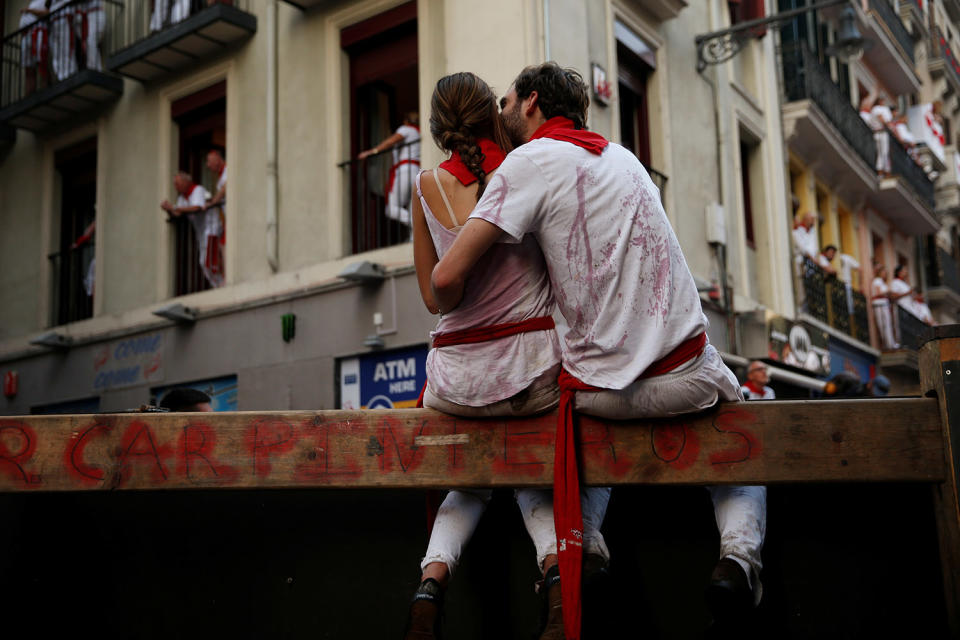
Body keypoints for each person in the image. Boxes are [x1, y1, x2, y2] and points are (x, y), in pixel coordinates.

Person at [431, 63, 764, 638]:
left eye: (507, 101)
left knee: (575, 453)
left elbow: (448, 277)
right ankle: (738, 560)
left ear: (532, 102)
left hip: (599, 395)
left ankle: (584, 552)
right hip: (687, 372)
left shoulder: (525, 164)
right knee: (746, 435)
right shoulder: (627, 159)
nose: (500, 113)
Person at [403, 72, 605, 640]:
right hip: (526, 373)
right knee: (529, 473)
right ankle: (555, 576)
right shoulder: (524, 169)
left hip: (455, 383)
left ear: (440, 126)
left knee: (467, 483)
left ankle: (430, 584)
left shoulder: (426, 187)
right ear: (494, 114)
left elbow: (433, 296)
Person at [160, 171, 224, 288]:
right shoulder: (182, 198)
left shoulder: (197, 190)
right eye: (175, 184)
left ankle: (222, 283)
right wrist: (168, 209)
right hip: (201, 232)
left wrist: (174, 207)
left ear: (186, 182)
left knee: (209, 260)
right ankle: (218, 285)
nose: (176, 187)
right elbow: (177, 214)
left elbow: (196, 207)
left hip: (211, 228)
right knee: (203, 262)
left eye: (178, 184)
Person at [358, 112, 421, 229]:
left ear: (406, 121)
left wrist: (371, 152)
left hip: (404, 170)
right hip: (417, 171)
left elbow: (390, 142)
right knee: (411, 208)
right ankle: (414, 237)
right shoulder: (419, 133)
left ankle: (420, 228)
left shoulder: (406, 129)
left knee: (391, 209)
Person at [19, 0, 50, 97]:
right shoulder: (33, 2)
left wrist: (29, 11)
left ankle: (45, 91)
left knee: (41, 64)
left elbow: (47, 13)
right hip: (27, 35)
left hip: (38, 32)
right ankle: (29, 95)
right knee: (29, 69)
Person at [48, 0, 76, 82]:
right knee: (56, 53)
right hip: (54, 23)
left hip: (65, 20)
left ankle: (70, 75)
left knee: (67, 50)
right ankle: (61, 77)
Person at [872, 264, 897, 350]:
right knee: (883, 325)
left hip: (884, 304)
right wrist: (888, 291)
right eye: (883, 272)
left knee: (887, 324)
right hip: (880, 304)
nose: (885, 274)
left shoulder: (882, 282)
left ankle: (890, 343)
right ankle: (888, 344)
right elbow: (878, 293)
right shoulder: (877, 281)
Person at [77, 0, 105, 71]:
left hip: (95, 13)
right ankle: (92, 68)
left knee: (90, 41)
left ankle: (96, 70)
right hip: (84, 17)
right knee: (86, 43)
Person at [870, 98, 894, 176]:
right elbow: (882, 119)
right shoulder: (877, 109)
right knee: (883, 153)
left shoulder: (875, 109)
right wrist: (890, 127)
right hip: (881, 132)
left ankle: (884, 171)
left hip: (879, 133)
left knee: (883, 153)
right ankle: (883, 171)